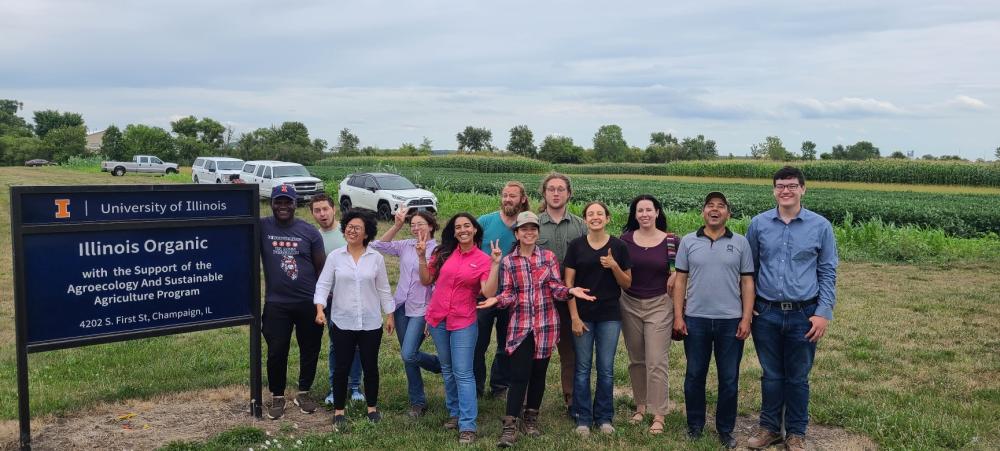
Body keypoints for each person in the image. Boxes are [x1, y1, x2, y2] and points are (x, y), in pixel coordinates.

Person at [478, 211, 595, 447]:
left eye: (533, 229)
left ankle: (531, 418)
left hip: (546, 325)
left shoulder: (549, 257)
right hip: (521, 326)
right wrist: (497, 300)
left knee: (539, 374)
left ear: (537, 233)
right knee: (520, 375)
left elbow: (555, 287)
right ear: (517, 233)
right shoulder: (510, 261)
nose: (529, 233)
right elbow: (510, 294)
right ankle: (510, 424)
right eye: (524, 229)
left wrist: (570, 291)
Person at [745, 166, 838, 451]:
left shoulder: (820, 226)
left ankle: (796, 432)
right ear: (773, 190)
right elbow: (750, 270)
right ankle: (770, 428)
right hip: (767, 312)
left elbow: (827, 272)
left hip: (804, 314)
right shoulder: (759, 224)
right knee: (771, 375)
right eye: (781, 186)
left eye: (792, 185)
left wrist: (822, 312)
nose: (786, 190)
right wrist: (748, 309)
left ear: (803, 189)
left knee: (797, 377)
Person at [672, 192, 755, 448]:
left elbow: (747, 281)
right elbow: (680, 280)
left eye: (721, 206)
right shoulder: (688, 241)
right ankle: (695, 426)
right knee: (695, 375)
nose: (715, 209)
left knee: (729, 378)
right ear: (703, 212)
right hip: (695, 319)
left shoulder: (740, 243)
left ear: (728, 214)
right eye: (710, 205)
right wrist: (678, 315)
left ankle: (725, 429)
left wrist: (746, 317)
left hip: (730, 321)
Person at [419, 213, 502, 444]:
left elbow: (488, 292)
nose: (463, 230)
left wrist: (495, 265)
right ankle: (454, 413)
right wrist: (420, 257)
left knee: (463, 372)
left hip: (463, 320)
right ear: (454, 232)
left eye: (467, 226)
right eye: (458, 227)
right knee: (447, 369)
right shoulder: (443, 253)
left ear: (475, 230)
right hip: (438, 319)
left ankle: (468, 424)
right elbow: (427, 280)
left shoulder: (484, 259)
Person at [313, 208, 395, 431]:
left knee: (370, 366)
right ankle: (339, 410)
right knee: (341, 366)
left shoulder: (375, 258)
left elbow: (384, 289)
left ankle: (372, 408)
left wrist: (390, 315)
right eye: (349, 227)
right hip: (342, 321)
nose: (351, 230)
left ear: (367, 233)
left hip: (370, 322)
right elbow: (323, 285)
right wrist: (320, 309)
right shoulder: (335, 257)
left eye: (357, 228)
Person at [564, 201, 632, 436]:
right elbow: (568, 286)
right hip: (582, 315)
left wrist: (614, 266)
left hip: (609, 316)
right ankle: (583, 418)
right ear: (585, 220)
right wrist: (573, 316)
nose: (595, 217)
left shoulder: (619, 247)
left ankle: (604, 418)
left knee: (606, 368)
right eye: (590, 214)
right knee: (582, 368)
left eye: (600, 213)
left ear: (608, 218)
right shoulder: (576, 246)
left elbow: (627, 283)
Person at [259, 184, 325, 420]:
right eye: (279, 201)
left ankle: (303, 392)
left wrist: (321, 302)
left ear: (296, 204)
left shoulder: (309, 232)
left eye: (288, 202)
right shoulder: (262, 227)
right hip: (277, 303)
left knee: (310, 349)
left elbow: (321, 270)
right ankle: (277, 395)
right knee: (277, 351)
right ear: (272, 203)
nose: (283, 206)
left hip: (307, 302)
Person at [370, 207, 442, 418]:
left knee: (409, 353)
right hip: (401, 307)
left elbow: (437, 286)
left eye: (420, 224)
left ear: (431, 226)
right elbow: (378, 245)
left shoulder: (438, 251)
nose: (416, 228)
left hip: (422, 309)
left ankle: (439, 365)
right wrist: (397, 225)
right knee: (408, 357)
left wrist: (432, 315)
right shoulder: (405, 245)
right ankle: (417, 402)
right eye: (412, 225)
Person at [618, 194, 679, 435]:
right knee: (636, 360)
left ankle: (659, 413)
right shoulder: (624, 241)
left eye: (648, 210)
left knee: (657, 361)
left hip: (659, 305)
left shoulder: (672, 241)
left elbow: (684, 272)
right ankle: (640, 406)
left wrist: (677, 276)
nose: (644, 214)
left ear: (657, 212)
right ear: (635, 215)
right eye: (639, 210)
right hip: (629, 303)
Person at [536, 173, 587, 415]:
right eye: (551, 189)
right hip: (540, 300)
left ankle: (572, 401)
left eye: (561, 189)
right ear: (544, 193)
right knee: (536, 353)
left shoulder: (580, 225)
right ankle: (530, 402)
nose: (556, 193)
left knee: (571, 353)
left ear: (569, 193)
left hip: (570, 300)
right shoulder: (532, 224)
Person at [474, 181, 530, 398]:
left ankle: (499, 385)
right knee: (477, 344)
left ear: (522, 199)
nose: (508, 199)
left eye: (513, 196)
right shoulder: (485, 221)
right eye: (505, 195)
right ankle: (476, 386)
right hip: (483, 294)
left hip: (513, 296)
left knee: (506, 344)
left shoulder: (526, 224)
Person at [309, 194, 364, 405]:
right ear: (312, 213)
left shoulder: (348, 231)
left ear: (333, 209)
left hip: (355, 298)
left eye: (325, 209)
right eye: (317, 210)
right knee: (337, 345)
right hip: (331, 300)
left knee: (357, 344)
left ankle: (355, 386)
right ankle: (336, 387)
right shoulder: (313, 237)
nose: (322, 214)